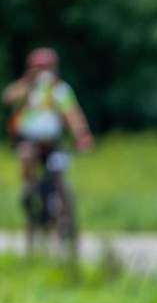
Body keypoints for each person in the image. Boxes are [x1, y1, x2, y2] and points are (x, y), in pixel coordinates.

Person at [2, 47, 93, 246]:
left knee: (59, 175)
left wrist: (81, 134)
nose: (44, 72)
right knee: (26, 155)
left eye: (47, 67)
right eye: (39, 67)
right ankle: (28, 190)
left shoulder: (60, 90)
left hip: (52, 142)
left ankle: (63, 218)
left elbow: (72, 113)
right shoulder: (26, 88)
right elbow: (8, 97)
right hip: (29, 140)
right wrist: (28, 82)